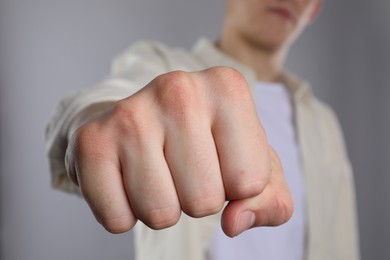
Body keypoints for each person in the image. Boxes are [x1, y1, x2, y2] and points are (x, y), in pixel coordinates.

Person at [46, 0, 360, 259]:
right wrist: (93, 120)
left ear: (314, 9)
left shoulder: (325, 122)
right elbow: (102, 104)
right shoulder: (159, 67)